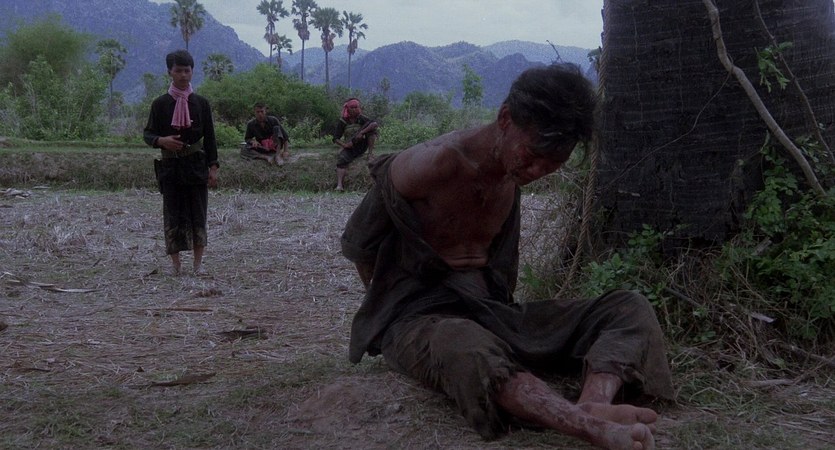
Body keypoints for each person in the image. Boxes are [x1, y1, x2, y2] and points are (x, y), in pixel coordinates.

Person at [341, 64, 674, 450]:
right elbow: (358, 244)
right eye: (532, 155)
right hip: (417, 322)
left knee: (628, 307)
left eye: (553, 165)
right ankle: (586, 425)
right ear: (504, 119)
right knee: (462, 343)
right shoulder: (430, 165)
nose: (537, 171)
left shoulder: (509, 177)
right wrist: (392, 311)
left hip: (492, 314)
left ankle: (594, 403)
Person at [143, 50, 219, 276]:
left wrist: (213, 167)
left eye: (187, 70)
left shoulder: (201, 103)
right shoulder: (160, 104)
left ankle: (198, 265)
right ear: (170, 72)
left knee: (198, 214)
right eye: (178, 71)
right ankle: (176, 266)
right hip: (170, 168)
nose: (183, 75)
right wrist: (162, 141)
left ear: (192, 71)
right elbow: (148, 134)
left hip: (196, 166)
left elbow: (210, 138)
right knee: (172, 215)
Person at [332, 97, 378, 191]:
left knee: (372, 132)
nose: (354, 110)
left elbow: (374, 124)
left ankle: (370, 154)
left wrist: (362, 132)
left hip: (362, 145)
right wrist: (345, 145)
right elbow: (335, 138)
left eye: (356, 107)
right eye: (352, 108)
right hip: (350, 147)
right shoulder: (343, 121)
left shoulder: (362, 118)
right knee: (341, 160)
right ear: (348, 109)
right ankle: (340, 185)